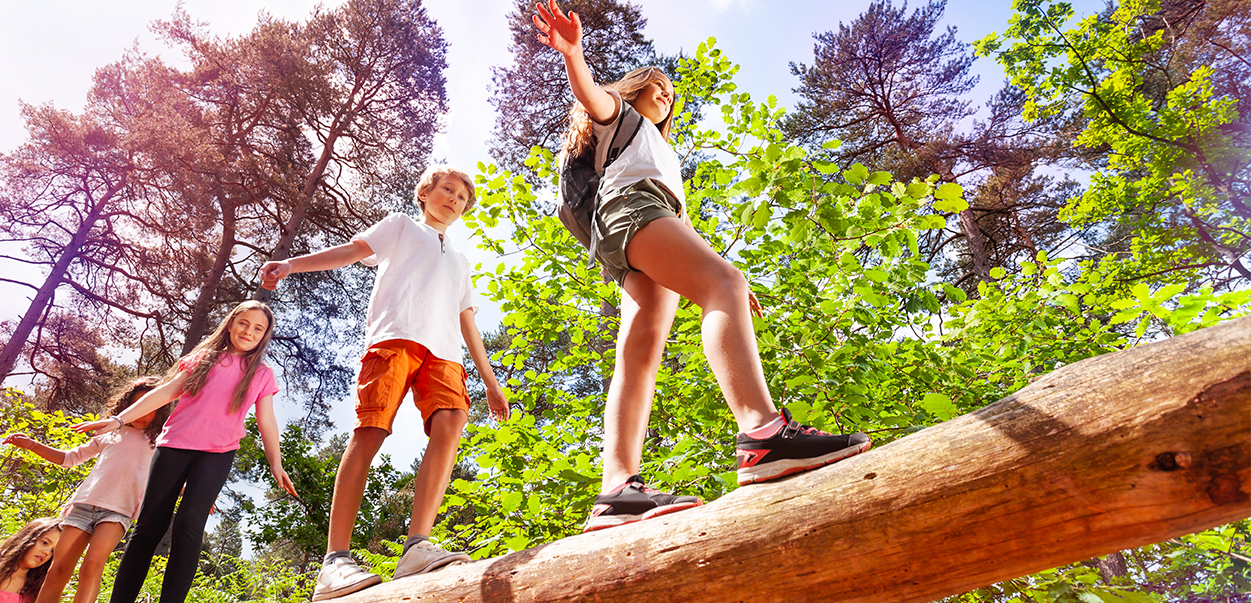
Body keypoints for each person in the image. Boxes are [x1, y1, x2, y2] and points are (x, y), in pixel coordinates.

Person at [532, 0, 871, 532]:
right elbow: (591, 96)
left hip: (634, 229)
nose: (666, 95)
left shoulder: (657, 149)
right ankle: (762, 436)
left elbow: (680, 226)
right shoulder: (620, 120)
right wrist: (574, 54)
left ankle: (616, 490)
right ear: (633, 92)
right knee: (722, 285)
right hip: (633, 211)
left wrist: (719, 280)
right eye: (655, 87)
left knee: (640, 352)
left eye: (670, 93)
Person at [260, 165, 510, 600]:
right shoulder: (400, 227)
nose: (454, 199)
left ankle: (416, 546)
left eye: (462, 198)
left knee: (451, 424)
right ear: (425, 192)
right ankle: (335, 561)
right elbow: (352, 252)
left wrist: (490, 381)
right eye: (447, 190)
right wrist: (290, 265)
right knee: (371, 430)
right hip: (395, 338)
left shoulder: (461, 260)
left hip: (444, 352)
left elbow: (467, 321)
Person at [74, 301, 298, 603]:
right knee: (149, 526)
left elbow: (266, 420)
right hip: (174, 448)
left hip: (217, 455)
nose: (249, 331)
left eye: (258, 328)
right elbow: (164, 392)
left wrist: (276, 463)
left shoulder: (260, 373)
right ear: (231, 324)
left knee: (190, 526)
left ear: (263, 336)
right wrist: (117, 419)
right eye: (243, 323)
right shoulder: (204, 359)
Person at [2, 377, 165, 603]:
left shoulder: (158, 441)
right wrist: (32, 445)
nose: (142, 414)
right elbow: (70, 458)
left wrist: (194, 493)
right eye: (136, 407)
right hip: (83, 505)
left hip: (118, 510)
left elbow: (167, 475)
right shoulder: (109, 434)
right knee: (57, 570)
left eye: (149, 408)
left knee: (91, 566)